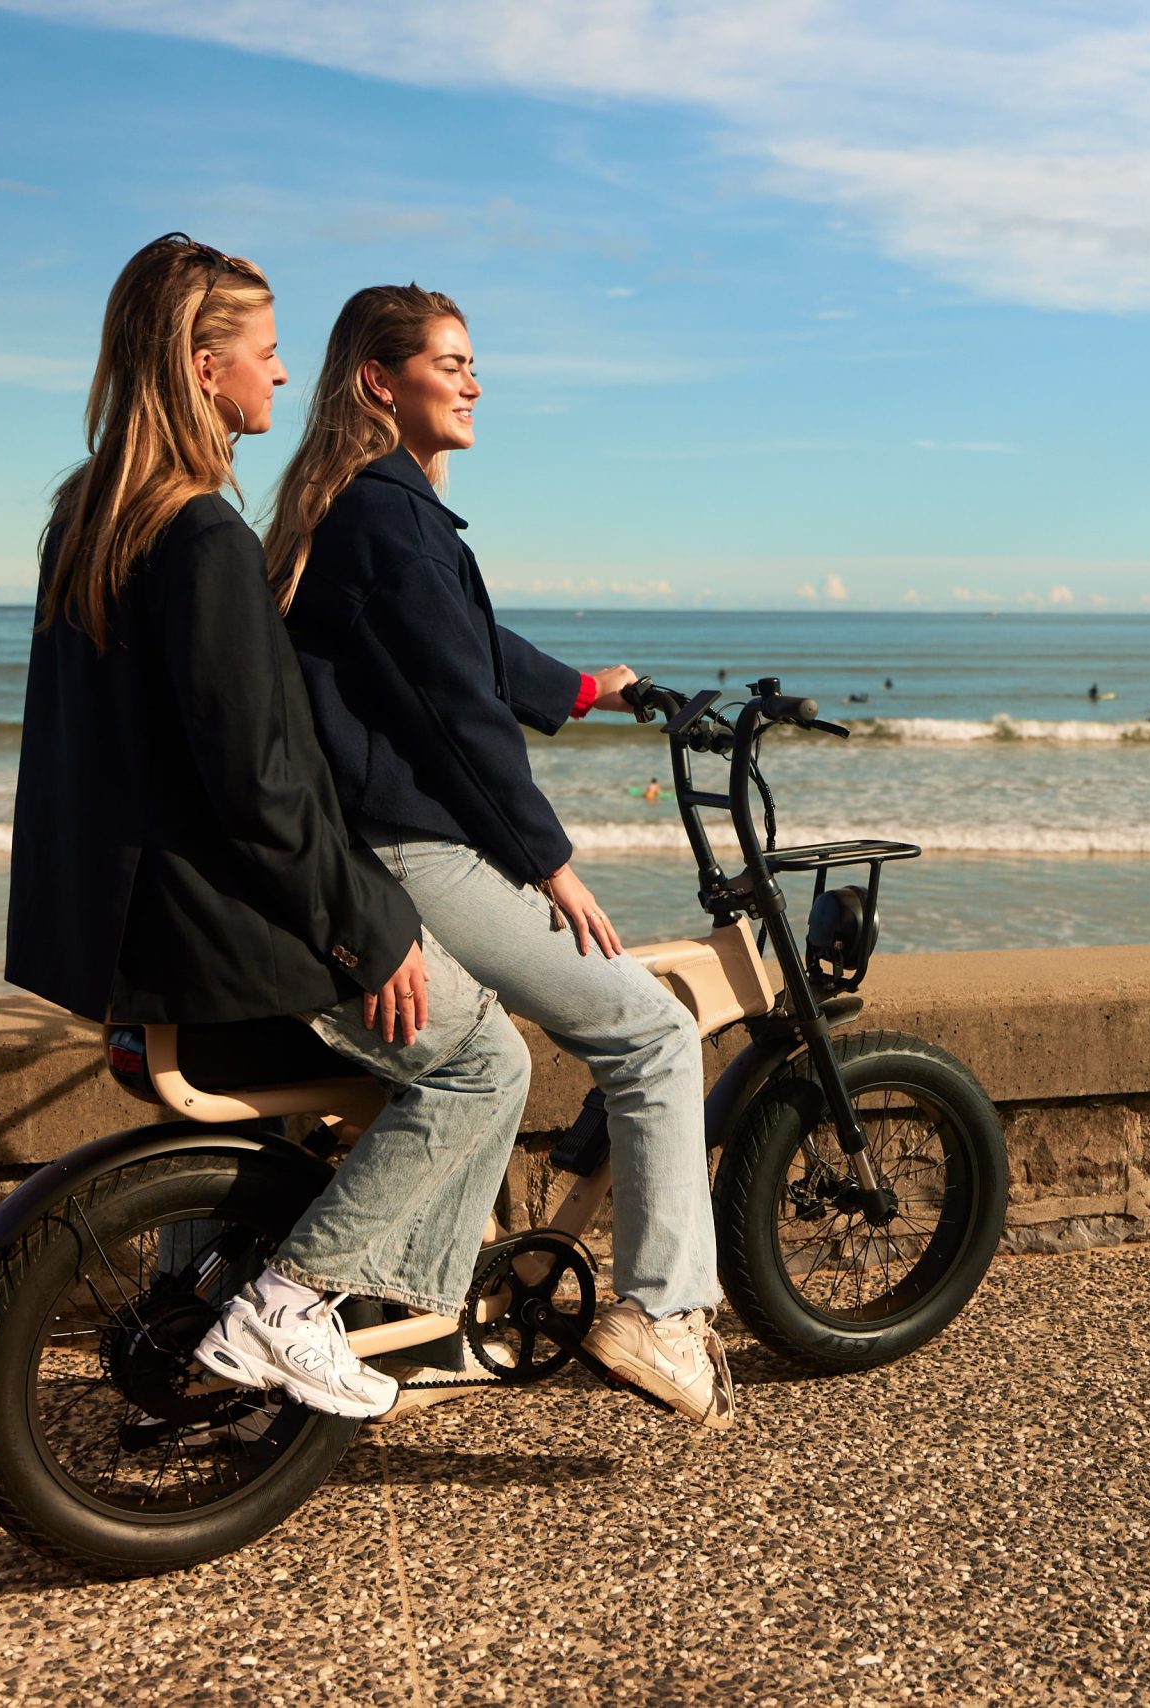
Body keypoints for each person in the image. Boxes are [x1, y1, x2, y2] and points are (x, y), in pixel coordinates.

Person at [4, 235, 532, 1423]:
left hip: (128, 933)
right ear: (203, 367)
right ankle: (297, 1304)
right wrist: (373, 932)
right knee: (483, 1060)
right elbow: (262, 780)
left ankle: (253, 1341)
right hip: (218, 931)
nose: (283, 379)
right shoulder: (200, 537)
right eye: (269, 352)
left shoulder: (84, 518)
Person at [266, 284, 733, 1430]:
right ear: (381, 381)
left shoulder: (374, 509)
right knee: (654, 1031)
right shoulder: (390, 515)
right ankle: (661, 1314)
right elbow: (454, 718)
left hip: (375, 846)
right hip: (412, 852)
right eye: (452, 361)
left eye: (474, 364)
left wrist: (586, 687)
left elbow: (469, 652)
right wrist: (549, 862)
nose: (474, 382)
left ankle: (437, 1301)